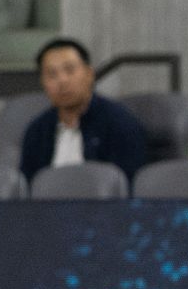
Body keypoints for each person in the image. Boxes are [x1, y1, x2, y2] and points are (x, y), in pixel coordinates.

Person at [19, 37, 146, 182]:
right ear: (43, 82)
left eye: (70, 70)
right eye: (52, 74)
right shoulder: (37, 131)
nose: (62, 81)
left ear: (89, 74)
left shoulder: (120, 125)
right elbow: (26, 190)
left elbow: (128, 188)